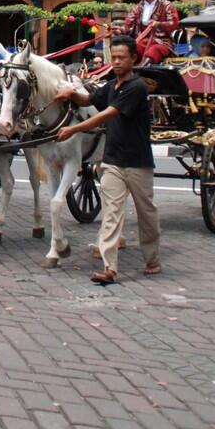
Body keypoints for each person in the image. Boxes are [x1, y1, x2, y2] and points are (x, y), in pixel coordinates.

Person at [53, 34, 161, 284]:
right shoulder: (111, 86)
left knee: (147, 214)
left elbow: (107, 115)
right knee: (112, 213)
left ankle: (152, 259)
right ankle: (110, 267)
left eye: (123, 58)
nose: (117, 62)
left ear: (134, 59)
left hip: (138, 162)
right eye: (115, 57)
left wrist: (73, 130)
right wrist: (70, 93)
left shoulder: (136, 87)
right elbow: (89, 100)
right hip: (112, 162)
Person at [122, 0, 179, 65]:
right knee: (129, 49)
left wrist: (159, 24)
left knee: (153, 51)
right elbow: (127, 27)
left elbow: (174, 24)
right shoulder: (136, 8)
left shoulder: (167, 5)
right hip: (141, 42)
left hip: (162, 43)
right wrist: (115, 30)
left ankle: (144, 69)